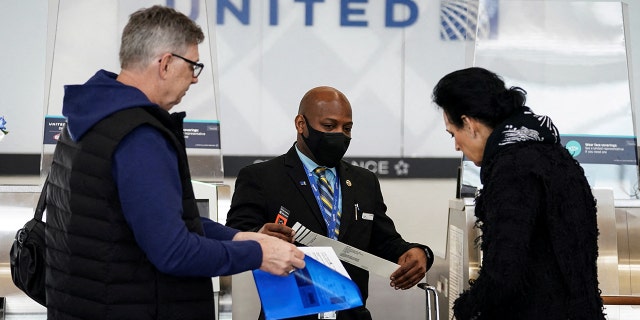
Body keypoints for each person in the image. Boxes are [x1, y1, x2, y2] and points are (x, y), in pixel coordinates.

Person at [44, 6, 305, 320]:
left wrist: (238, 237)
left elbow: (164, 219)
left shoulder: (89, 117)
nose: (195, 79)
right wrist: (260, 253)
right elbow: (174, 251)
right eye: (193, 66)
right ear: (165, 63)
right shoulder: (139, 136)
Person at [225, 86, 434, 320]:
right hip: (289, 314)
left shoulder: (364, 181)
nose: (339, 135)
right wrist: (258, 236)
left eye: (347, 128)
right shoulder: (261, 177)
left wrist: (417, 252)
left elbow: (385, 241)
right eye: (328, 126)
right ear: (300, 124)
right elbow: (233, 236)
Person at [432, 67, 605, 320]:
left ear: (468, 124)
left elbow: (505, 271)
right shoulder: (556, 154)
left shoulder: (511, 169)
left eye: (453, 134)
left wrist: (466, 308)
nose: (457, 145)